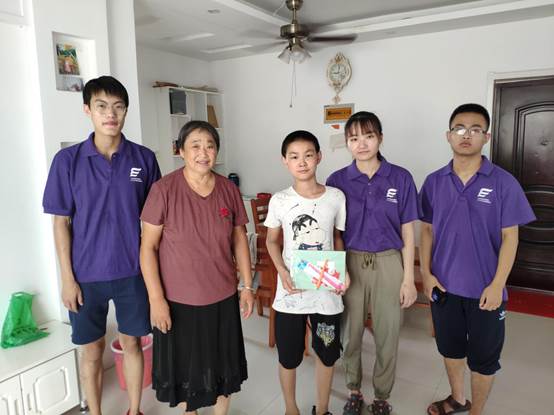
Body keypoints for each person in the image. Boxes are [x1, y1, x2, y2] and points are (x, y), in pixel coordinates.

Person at [42, 76, 161, 415]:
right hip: (85, 275)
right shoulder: (67, 161)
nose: (111, 114)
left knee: (132, 343)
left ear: (126, 111)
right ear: (88, 110)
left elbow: (156, 222)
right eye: (102, 106)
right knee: (91, 350)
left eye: (118, 107)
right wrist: (67, 279)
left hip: (132, 271)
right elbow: (60, 223)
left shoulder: (143, 159)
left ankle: (134, 409)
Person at [419, 103, 535, 415]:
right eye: (459, 128)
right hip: (443, 287)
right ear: (448, 135)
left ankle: (476, 411)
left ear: (486, 137)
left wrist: (498, 284)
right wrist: (427, 275)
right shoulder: (434, 182)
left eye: (475, 129)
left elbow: (511, 237)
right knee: (450, 349)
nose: (466, 134)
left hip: (486, 290)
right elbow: (426, 230)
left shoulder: (503, 182)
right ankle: (458, 399)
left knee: (484, 360)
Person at [139, 120, 255, 415]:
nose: (203, 153)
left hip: (222, 297)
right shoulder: (163, 190)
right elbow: (148, 248)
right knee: (185, 374)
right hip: (178, 301)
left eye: (210, 146)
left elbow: (239, 239)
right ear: (180, 151)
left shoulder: (228, 189)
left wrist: (246, 286)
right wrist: (156, 299)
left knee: (224, 370)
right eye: (195, 146)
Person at [326, 111, 419, 415]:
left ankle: (382, 396)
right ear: (347, 143)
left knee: (387, 333)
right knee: (350, 332)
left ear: (380, 138)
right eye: (354, 138)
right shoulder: (337, 180)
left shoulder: (400, 178)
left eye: (368, 136)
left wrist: (408, 279)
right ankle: (353, 390)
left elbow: (408, 230)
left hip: (389, 261)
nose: (362, 144)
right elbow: (333, 232)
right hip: (350, 262)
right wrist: (333, 271)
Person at [265, 130, 348, 415]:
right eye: (294, 156)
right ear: (285, 161)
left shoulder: (335, 197)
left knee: (327, 353)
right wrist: (281, 270)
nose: (302, 162)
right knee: (288, 357)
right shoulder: (280, 200)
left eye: (308, 155)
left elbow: (337, 238)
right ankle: (291, 408)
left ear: (319, 157)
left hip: (326, 291)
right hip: (291, 292)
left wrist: (344, 270)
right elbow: (271, 241)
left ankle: (322, 409)